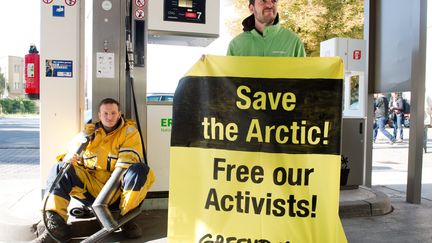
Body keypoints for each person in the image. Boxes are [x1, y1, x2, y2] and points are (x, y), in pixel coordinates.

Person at [32, 98, 155, 243]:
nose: (109, 117)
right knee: (60, 168)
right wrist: (69, 158)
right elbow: (70, 153)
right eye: (105, 113)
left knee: (139, 170)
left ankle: (126, 219)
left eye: (113, 113)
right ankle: (56, 227)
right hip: (93, 192)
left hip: (117, 192)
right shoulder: (89, 133)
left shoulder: (129, 132)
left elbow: (125, 163)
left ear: (119, 113)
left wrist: (104, 202)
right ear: (99, 115)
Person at [227, 0, 306, 57]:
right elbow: (228, 79)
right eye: (263, 0)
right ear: (251, 8)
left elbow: (304, 78)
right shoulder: (235, 45)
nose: (269, 5)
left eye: (274, 1)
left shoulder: (294, 42)